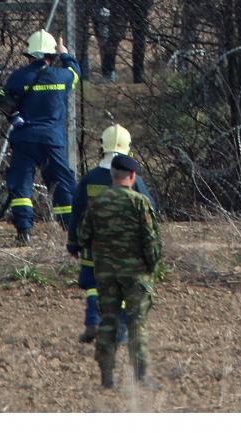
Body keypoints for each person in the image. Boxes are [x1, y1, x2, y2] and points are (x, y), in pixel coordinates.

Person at [77, 153, 162, 389]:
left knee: (108, 321)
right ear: (132, 176)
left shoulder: (97, 203)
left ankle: (106, 375)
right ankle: (141, 376)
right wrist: (152, 266)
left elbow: (83, 237)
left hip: (105, 273)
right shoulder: (140, 203)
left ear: (112, 176)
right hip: (136, 274)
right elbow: (152, 242)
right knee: (136, 324)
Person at [67, 124, 155, 343]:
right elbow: (149, 209)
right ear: (128, 147)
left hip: (93, 249)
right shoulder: (133, 180)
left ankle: (93, 321)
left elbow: (76, 212)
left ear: (102, 146)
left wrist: (73, 243)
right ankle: (119, 330)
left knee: (93, 285)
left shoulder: (89, 179)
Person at [0, 29, 80, 246]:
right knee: (62, 183)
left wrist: (14, 116)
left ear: (30, 55)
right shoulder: (62, 76)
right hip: (52, 140)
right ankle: (69, 229)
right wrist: (65, 54)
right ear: (51, 55)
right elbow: (75, 72)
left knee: (21, 184)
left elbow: (2, 99)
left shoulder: (18, 77)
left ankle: (24, 231)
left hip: (24, 138)